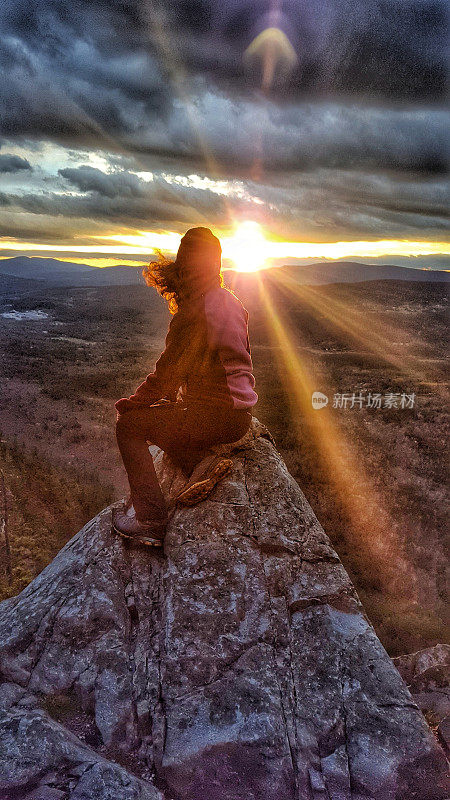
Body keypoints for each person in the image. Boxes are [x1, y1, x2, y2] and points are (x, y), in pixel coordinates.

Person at [112, 227, 258, 547]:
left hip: (213, 417)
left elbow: (167, 377)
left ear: (185, 266)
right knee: (170, 417)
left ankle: (150, 520)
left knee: (131, 427)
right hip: (240, 418)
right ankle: (198, 464)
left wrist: (132, 404)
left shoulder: (194, 312)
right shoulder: (231, 301)